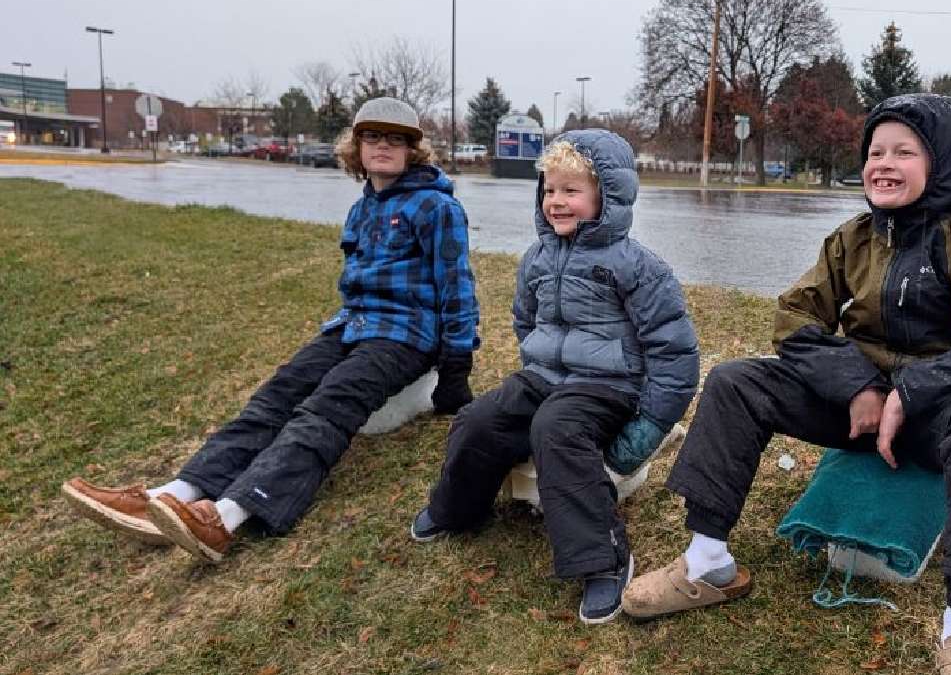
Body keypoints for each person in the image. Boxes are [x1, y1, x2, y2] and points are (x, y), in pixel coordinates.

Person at [621, 94, 951, 675]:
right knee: (736, 381)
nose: (883, 163)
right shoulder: (852, 238)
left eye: (904, 151)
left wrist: (911, 392)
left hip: (938, 417)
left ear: (943, 164)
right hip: (858, 409)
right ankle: (706, 561)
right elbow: (794, 319)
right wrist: (857, 387)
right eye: (875, 151)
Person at [61, 97, 480, 563]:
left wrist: (457, 367)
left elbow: (457, 287)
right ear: (356, 147)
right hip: (352, 326)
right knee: (276, 395)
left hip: (405, 335)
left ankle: (226, 516)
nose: (383, 147)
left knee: (326, 408)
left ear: (412, 151)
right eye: (372, 137)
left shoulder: (436, 207)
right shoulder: (364, 207)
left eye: (395, 140)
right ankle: (175, 493)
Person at [409, 129, 700, 625]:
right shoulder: (537, 260)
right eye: (549, 190)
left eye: (572, 190)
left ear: (606, 197)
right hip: (545, 377)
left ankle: (603, 559)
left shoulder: (638, 267)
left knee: (557, 428)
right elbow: (527, 320)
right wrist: (536, 370)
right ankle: (458, 506)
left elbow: (675, 355)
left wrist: (645, 429)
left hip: (609, 387)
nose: (557, 201)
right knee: (480, 418)